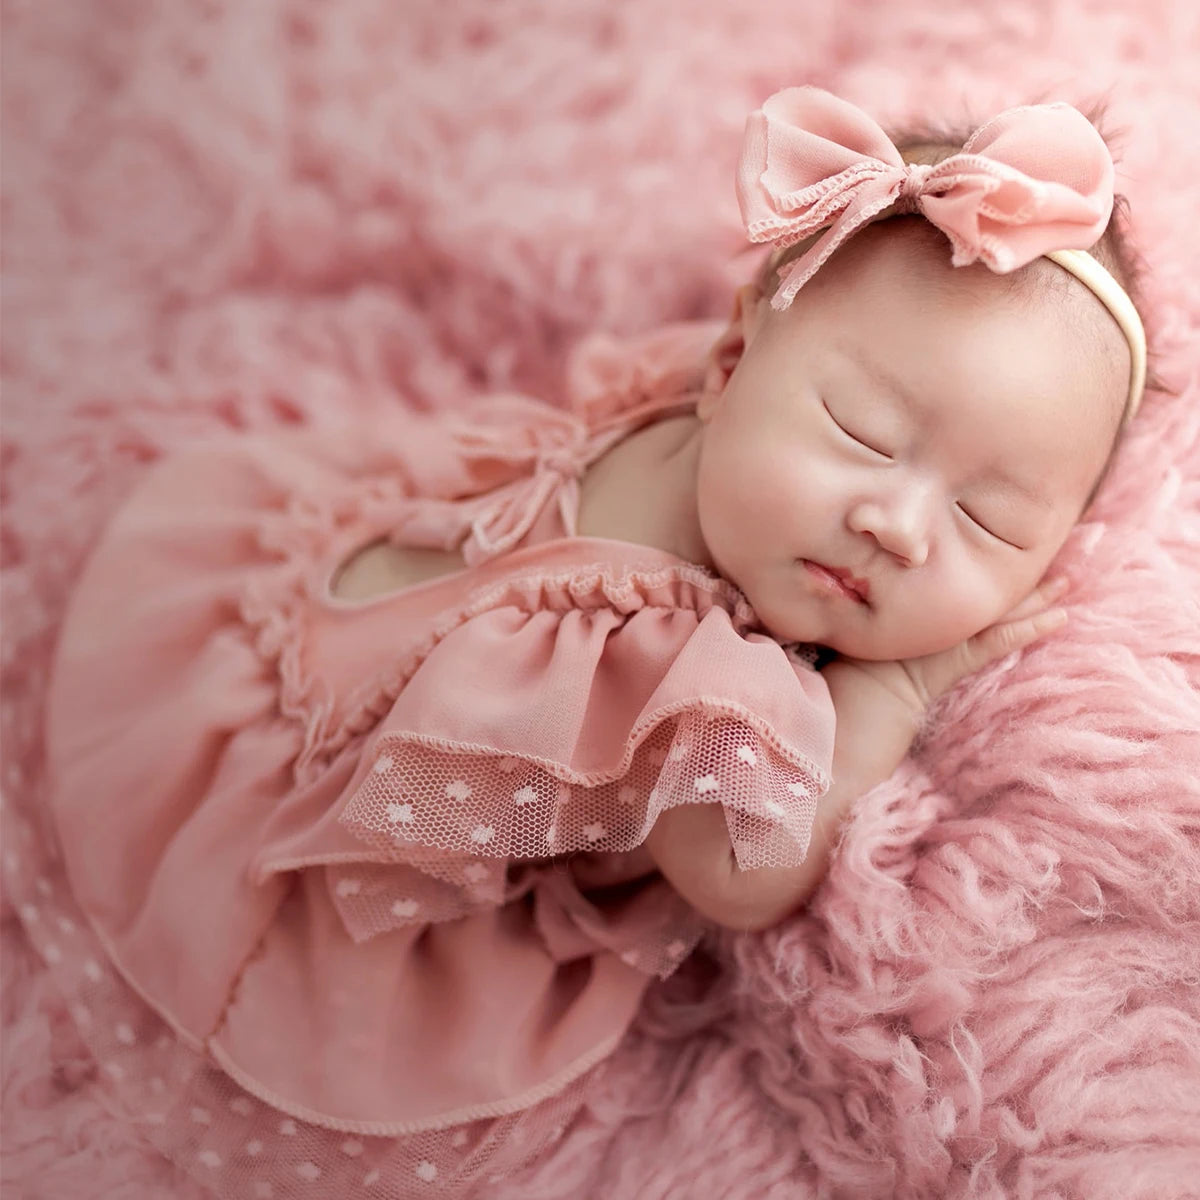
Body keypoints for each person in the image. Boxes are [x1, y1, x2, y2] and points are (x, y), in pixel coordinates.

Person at [11, 87, 1147, 1198]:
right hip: (335, 838)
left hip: (340, 619)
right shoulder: (696, 677)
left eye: (985, 520)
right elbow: (738, 878)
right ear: (730, 366)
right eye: (861, 433)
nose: (894, 526)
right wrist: (896, 688)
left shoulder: (710, 429)